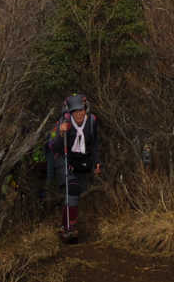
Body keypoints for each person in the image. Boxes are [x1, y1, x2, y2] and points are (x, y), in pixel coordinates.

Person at [47, 93, 101, 241]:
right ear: (70, 112)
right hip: (63, 159)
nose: (79, 114)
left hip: (81, 161)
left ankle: (65, 226)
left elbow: (95, 144)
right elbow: (53, 146)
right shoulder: (64, 122)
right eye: (75, 111)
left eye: (81, 110)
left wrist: (97, 162)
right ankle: (69, 228)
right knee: (73, 187)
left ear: (86, 109)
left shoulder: (92, 121)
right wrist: (60, 133)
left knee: (75, 194)